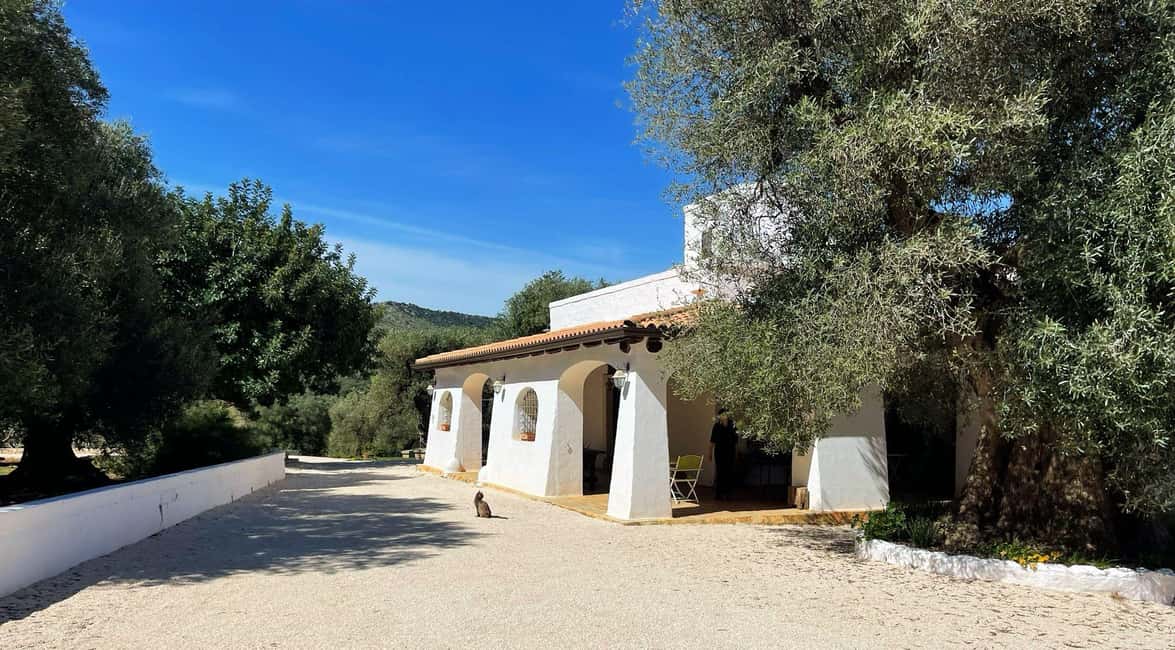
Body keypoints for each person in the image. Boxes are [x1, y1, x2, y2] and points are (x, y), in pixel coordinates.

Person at [709, 408, 738, 500]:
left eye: (725, 414)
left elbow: (736, 441)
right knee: (720, 471)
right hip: (719, 452)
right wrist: (709, 453)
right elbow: (712, 441)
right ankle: (718, 493)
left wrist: (737, 454)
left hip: (730, 451)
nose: (723, 416)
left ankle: (729, 493)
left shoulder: (733, 425)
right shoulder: (717, 426)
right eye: (722, 415)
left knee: (729, 472)